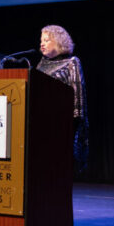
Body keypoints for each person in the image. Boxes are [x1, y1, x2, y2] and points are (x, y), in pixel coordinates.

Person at [36, 25, 89, 175]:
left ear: (58, 42)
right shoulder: (41, 65)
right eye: (41, 40)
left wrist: (73, 123)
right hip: (40, 124)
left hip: (62, 125)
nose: (42, 44)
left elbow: (77, 93)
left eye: (46, 40)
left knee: (57, 170)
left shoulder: (72, 62)